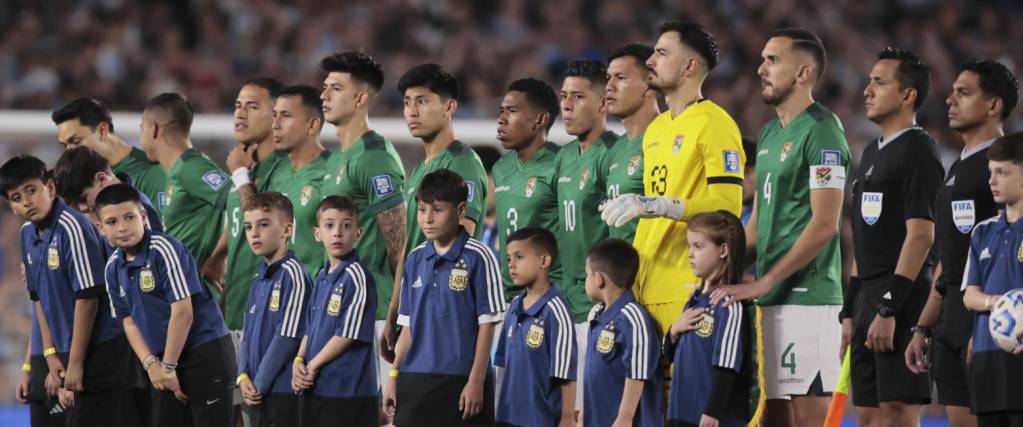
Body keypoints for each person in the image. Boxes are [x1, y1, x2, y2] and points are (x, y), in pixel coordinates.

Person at [711, 28, 848, 427]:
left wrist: (765, 279)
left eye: (773, 60)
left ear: (803, 72)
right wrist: (724, 268)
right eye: (762, 60)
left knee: (808, 419)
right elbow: (760, 223)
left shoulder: (824, 130)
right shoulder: (770, 133)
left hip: (809, 298)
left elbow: (825, 224)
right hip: (769, 296)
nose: (760, 69)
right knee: (771, 416)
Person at [601, 22, 744, 342]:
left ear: (689, 66)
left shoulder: (716, 124)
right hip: (645, 288)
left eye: (662, 53)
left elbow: (728, 208)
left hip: (687, 289)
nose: (651, 60)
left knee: (682, 391)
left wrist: (662, 205)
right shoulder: (657, 129)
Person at [906, 60, 1018, 427]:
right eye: (952, 91)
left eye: (963, 92)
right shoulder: (959, 167)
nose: (949, 100)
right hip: (952, 316)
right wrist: (924, 325)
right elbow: (950, 256)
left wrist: (993, 325)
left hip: (989, 324)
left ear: (993, 105)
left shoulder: (1009, 167)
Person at [847, 47, 945, 426]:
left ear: (908, 95)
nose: (867, 90)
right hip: (868, 300)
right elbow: (865, 238)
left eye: (879, 82)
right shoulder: (872, 151)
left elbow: (921, 235)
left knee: (897, 414)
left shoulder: (919, 149)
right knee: (869, 416)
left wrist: (888, 307)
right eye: (869, 80)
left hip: (900, 299)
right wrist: (850, 309)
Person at [3, 155, 131, 426]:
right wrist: (50, 354)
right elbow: (38, 298)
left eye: (31, 190)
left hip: (100, 350)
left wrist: (74, 363)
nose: (26, 201)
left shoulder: (72, 227)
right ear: (11, 206)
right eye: (16, 197)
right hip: (66, 350)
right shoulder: (27, 234)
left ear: (49, 188)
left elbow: (88, 300)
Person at [96, 183, 237, 427]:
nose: (121, 227)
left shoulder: (164, 249)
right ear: (100, 228)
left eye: (129, 217)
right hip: (162, 362)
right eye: (111, 222)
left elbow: (182, 313)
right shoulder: (112, 268)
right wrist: (151, 364)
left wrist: (168, 367)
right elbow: (128, 322)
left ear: (142, 216)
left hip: (203, 353)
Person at [382, 63, 489, 365]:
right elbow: (409, 247)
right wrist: (395, 312)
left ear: (450, 106)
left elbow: (461, 245)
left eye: (423, 101)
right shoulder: (420, 168)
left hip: (443, 315)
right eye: (407, 103)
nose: (412, 111)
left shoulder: (462, 163)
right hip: (415, 307)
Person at [384, 169, 506, 427]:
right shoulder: (415, 258)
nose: (427, 218)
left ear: (461, 210)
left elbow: (487, 325)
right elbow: (407, 326)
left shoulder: (480, 257)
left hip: (459, 378)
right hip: (415, 378)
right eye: (421, 209)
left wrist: (476, 381)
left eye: (437, 210)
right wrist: (393, 376)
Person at [317, 52, 408, 396]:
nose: (323, 95)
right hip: (342, 310)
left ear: (360, 98)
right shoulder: (338, 156)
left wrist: (398, 317)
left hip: (376, 315)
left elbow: (401, 250)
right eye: (324, 87)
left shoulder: (374, 156)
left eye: (335, 88)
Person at [293, 196, 378, 427]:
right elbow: (310, 327)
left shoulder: (357, 276)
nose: (337, 233)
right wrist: (298, 360)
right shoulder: (321, 276)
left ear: (358, 233)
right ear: (317, 233)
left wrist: (311, 366)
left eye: (346, 225)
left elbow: (347, 334)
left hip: (348, 391)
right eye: (329, 225)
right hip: (319, 387)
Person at [140, 93, 230, 298]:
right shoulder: (177, 170)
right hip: (179, 295)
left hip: (197, 298)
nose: (141, 139)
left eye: (141, 128)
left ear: (153, 128)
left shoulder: (191, 167)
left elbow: (243, 202)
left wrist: (217, 257)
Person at [960, 132, 1023, 427]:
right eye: (990, 172)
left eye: (1003, 172)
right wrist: (995, 302)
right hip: (987, 356)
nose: (992, 181)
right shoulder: (983, 231)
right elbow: (969, 294)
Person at [554, 59, 620, 325]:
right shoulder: (564, 156)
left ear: (603, 103)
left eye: (578, 97)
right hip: (563, 301)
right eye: (564, 96)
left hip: (599, 302)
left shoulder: (615, 153)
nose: (567, 105)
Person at [237, 192, 310, 426]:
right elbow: (246, 332)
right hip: (257, 389)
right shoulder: (259, 276)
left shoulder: (294, 274)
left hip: (282, 391)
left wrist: (259, 383)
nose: (254, 233)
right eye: (248, 227)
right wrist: (242, 375)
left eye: (264, 224)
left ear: (287, 230)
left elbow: (287, 337)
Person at [494, 227, 577, 427]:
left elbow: (566, 375)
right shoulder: (514, 306)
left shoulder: (557, 310)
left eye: (519, 257)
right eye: (508, 258)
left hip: (540, 419)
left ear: (544, 261)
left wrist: (566, 419)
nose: (511, 265)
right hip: (507, 416)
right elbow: (503, 365)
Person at [492, 78, 562, 302]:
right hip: (509, 298)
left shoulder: (560, 164)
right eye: (501, 110)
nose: (501, 119)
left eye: (512, 111)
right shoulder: (501, 168)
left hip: (551, 296)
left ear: (540, 120)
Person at [582, 239, 662, 427]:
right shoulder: (597, 315)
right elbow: (591, 374)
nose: (585, 281)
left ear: (598, 278)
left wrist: (625, 417)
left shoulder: (633, 317)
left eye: (587, 275)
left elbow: (638, 373)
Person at [53, 97, 168, 210]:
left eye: (76, 141)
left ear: (102, 130)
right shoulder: (76, 179)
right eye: (65, 145)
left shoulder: (151, 172)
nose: (69, 151)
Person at [267, 84, 331, 276]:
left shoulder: (332, 170)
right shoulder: (275, 171)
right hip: (275, 294)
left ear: (312, 125)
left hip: (313, 296)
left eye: (286, 116)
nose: (275, 124)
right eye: (274, 115)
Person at [601, 43, 659, 242]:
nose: (609, 86)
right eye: (608, 78)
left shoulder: (666, 138)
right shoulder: (616, 149)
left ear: (650, 85)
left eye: (621, 77)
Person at [53, 146, 163, 231]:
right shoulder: (92, 212)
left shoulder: (138, 206)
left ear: (101, 179)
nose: (82, 208)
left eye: (83, 198)